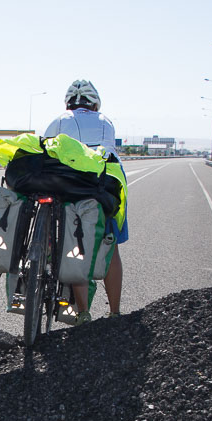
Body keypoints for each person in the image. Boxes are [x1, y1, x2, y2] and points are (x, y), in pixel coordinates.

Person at [44, 79, 125, 323]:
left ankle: (83, 313)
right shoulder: (105, 122)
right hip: (103, 186)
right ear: (95, 104)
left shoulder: (58, 120)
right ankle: (114, 313)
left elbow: (44, 149)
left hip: (68, 187)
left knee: (74, 243)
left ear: (68, 103)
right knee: (110, 245)